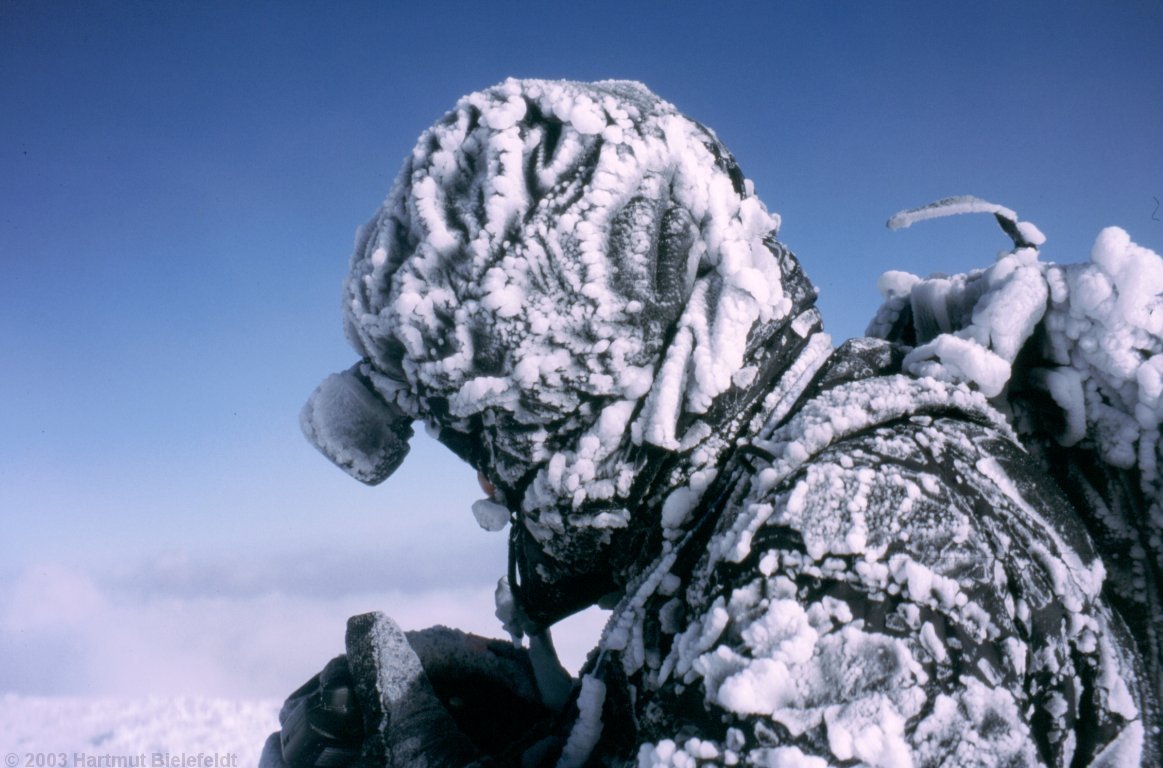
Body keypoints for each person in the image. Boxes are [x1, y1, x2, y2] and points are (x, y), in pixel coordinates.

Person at [261, 79, 1160, 767]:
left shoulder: (836, 584)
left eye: (491, 441)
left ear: (586, 404)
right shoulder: (805, 489)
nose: (493, 494)